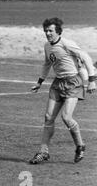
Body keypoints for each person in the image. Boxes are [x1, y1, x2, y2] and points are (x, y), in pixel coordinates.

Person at [29, 17, 96, 164]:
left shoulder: (67, 44)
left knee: (66, 117)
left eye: (50, 30)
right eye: (46, 31)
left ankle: (80, 145)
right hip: (58, 83)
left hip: (73, 82)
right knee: (48, 117)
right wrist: (39, 82)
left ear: (58, 31)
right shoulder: (47, 46)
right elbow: (47, 64)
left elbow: (86, 57)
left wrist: (91, 81)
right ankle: (43, 152)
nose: (47, 33)